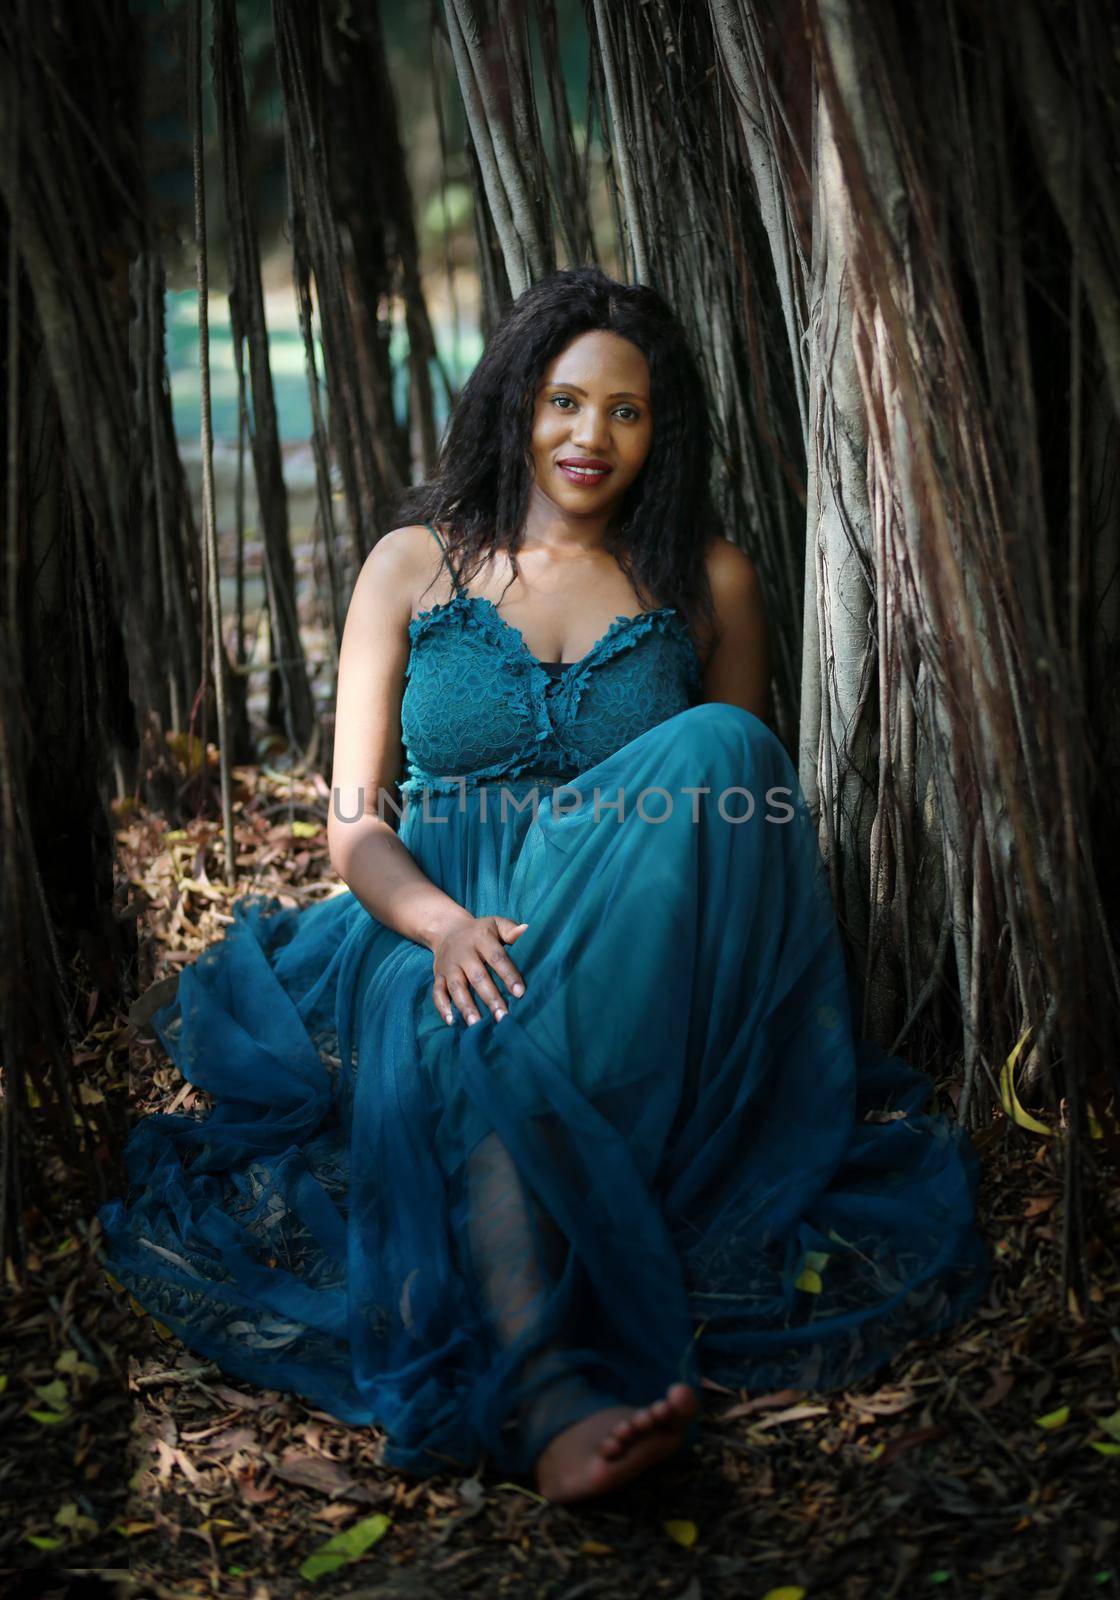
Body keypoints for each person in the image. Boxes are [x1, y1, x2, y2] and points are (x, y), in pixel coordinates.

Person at [100, 266, 989, 1505]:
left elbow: (733, 827)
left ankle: (561, 1359)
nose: (591, 437)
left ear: (660, 428)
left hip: (633, 938)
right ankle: (547, 1386)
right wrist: (442, 923)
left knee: (728, 753)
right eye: (566, 401)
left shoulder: (706, 580)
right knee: (472, 1027)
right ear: (517, 401)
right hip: (434, 919)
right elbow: (351, 822)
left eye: (625, 411)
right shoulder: (413, 565)